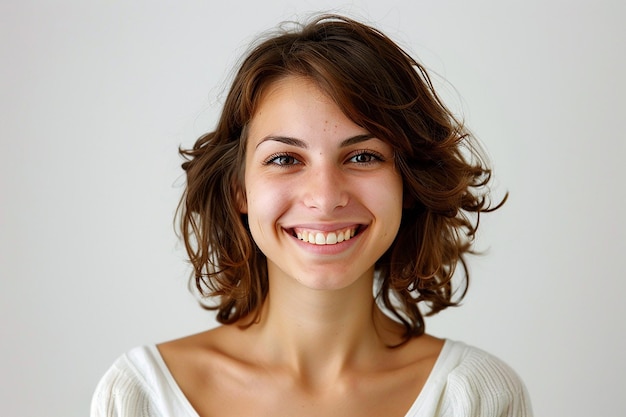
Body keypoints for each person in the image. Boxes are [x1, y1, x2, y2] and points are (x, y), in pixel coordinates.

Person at [91, 14, 532, 417]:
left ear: (409, 184)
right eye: (285, 159)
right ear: (239, 189)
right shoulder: (141, 395)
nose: (324, 198)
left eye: (362, 156)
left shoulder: (474, 396)